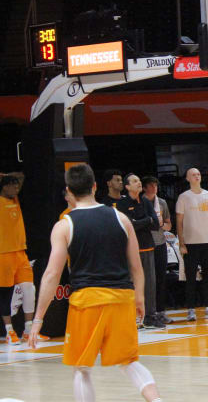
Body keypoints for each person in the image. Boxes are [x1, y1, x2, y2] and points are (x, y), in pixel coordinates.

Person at [28, 164, 163, 402]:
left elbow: (51, 275)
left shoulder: (64, 225)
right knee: (129, 362)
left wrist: (38, 318)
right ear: (94, 186)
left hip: (87, 301)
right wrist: (139, 298)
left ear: (69, 191)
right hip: (121, 298)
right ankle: (157, 400)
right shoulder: (121, 218)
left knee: (81, 367)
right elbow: (136, 267)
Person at [175, 168, 208, 321]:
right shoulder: (184, 197)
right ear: (188, 178)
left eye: (198, 174)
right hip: (190, 243)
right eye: (193, 175)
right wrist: (181, 243)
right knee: (190, 277)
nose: (197, 176)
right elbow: (179, 221)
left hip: (207, 242)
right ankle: (191, 309)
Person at [117, 174, 163, 329]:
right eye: (135, 181)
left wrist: (140, 222)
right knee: (132, 283)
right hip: (130, 249)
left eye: (139, 180)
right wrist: (146, 221)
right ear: (127, 186)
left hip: (148, 246)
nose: (139, 183)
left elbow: (156, 224)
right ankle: (133, 316)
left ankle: (150, 315)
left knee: (150, 283)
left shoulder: (145, 201)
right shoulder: (122, 203)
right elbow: (129, 225)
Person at [0, 173, 42, 345]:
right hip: (4, 253)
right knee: (5, 293)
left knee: (29, 289)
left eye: (17, 186)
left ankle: (28, 329)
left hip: (20, 252)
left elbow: (22, 176)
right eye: (12, 186)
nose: (16, 189)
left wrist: (8, 176)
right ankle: (9, 331)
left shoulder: (15, 199)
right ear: (4, 186)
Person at [142, 176, 173, 324]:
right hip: (145, 244)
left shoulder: (162, 203)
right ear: (144, 187)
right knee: (147, 280)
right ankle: (147, 312)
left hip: (160, 242)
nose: (154, 187)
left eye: (155, 185)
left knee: (161, 278)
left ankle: (161, 311)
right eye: (151, 185)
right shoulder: (139, 202)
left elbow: (169, 225)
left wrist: (161, 225)